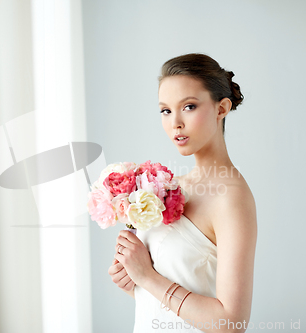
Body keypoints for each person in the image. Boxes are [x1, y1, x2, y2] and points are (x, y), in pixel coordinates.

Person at [108, 53, 257, 333]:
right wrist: (133, 281)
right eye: (165, 110)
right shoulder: (169, 186)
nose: (175, 122)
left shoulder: (231, 198)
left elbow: (231, 323)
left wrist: (147, 277)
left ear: (221, 108)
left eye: (188, 106)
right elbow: (174, 298)